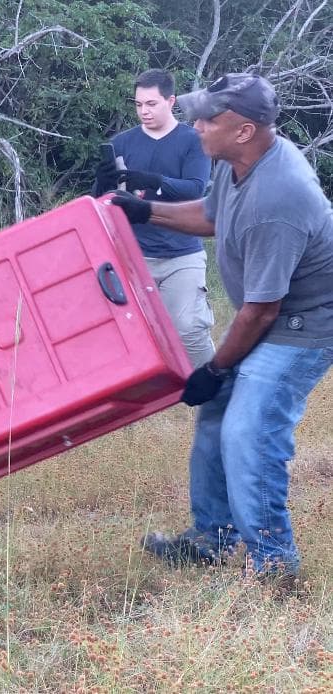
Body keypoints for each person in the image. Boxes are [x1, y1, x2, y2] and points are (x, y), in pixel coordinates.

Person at [107, 73, 333, 584]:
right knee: (217, 415)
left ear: (245, 130)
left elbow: (261, 312)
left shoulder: (280, 196)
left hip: (304, 324)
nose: (197, 124)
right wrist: (145, 212)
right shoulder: (236, 164)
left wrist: (216, 366)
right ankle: (212, 539)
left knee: (248, 430)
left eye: (210, 118)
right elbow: (213, 214)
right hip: (271, 311)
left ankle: (275, 567)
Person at [94, 69, 215, 367]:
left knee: (188, 329)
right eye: (138, 105)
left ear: (170, 101)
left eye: (151, 104)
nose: (144, 111)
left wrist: (153, 180)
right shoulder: (122, 143)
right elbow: (101, 201)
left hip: (181, 253)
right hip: (133, 254)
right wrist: (102, 183)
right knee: (127, 334)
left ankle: (217, 392)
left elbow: (196, 189)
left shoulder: (193, 139)